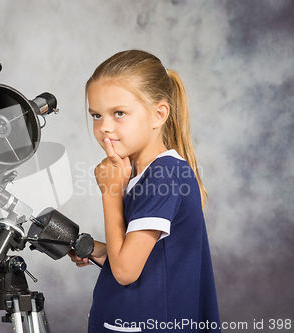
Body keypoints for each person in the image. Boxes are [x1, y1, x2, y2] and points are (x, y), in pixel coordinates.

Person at [68, 50, 221, 332]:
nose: (105, 127)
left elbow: (126, 272)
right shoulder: (146, 173)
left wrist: (111, 193)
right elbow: (150, 258)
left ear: (158, 114)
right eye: (96, 115)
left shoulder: (164, 176)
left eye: (119, 113)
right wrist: (99, 251)